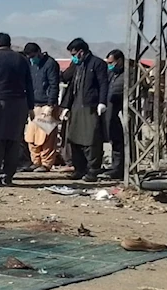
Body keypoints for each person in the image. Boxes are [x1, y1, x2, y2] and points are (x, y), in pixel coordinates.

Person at [0, 33, 35, 186]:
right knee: (14, 140)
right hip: (19, 104)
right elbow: (29, 85)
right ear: (10, 44)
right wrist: (30, 107)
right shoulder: (22, 59)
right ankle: (9, 176)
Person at [60, 38, 108, 182]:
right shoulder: (77, 65)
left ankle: (92, 171)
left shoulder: (97, 63)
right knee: (74, 139)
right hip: (75, 106)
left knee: (90, 140)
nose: (73, 57)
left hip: (90, 106)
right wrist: (66, 106)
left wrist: (102, 102)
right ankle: (79, 169)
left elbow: (103, 84)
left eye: (74, 54)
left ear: (81, 52)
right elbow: (66, 80)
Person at [22, 43, 61, 172]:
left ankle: (46, 163)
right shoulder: (29, 64)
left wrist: (50, 105)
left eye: (33, 56)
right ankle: (36, 161)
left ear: (39, 52)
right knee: (31, 137)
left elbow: (54, 84)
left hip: (46, 105)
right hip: (34, 104)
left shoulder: (50, 64)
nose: (32, 59)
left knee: (47, 138)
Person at [100, 49, 125, 180]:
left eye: (112, 62)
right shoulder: (110, 73)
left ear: (119, 61)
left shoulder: (127, 74)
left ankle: (119, 168)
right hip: (109, 111)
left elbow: (119, 92)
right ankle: (115, 166)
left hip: (120, 112)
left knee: (119, 142)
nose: (110, 65)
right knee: (113, 140)